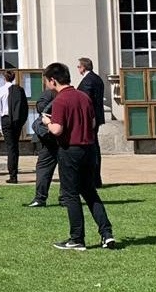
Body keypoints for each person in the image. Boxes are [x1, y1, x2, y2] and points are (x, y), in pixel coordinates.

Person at [40, 62, 116, 251]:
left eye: (47, 81)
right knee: (90, 192)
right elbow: (91, 122)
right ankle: (106, 234)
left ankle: (77, 238)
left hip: (70, 150)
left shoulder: (60, 100)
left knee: (70, 194)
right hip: (88, 148)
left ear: (53, 80)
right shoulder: (83, 97)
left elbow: (57, 130)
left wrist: (46, 122)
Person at [75, 57, 107, 187]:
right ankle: (95, 179)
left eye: (78, 66)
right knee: (94, 147)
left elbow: (85, 101)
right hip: (95, 118)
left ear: (83, 67)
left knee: (92, 148)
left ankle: (94, 179)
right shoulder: (96, 78)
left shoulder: (89, 80)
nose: (78, 69)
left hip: (90, 119)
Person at [28, 85, 59, 208]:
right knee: (47, 167)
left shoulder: (49, 93)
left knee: (44, 167)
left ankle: (41, 198)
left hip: (51, 136)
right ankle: (63, 197)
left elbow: (41, 108)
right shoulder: (71, 94)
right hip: (55, 137)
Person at [0, 70, 29, 183]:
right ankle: (14, 174)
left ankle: (13, 175)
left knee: (10, 147)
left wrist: (0, 126)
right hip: (16, 120)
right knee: (15, 147)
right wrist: (22, 121)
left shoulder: (0, 91)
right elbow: (25, 107)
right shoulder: (20, 90)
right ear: (14, 78)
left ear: (4, 78)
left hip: (6, 119)